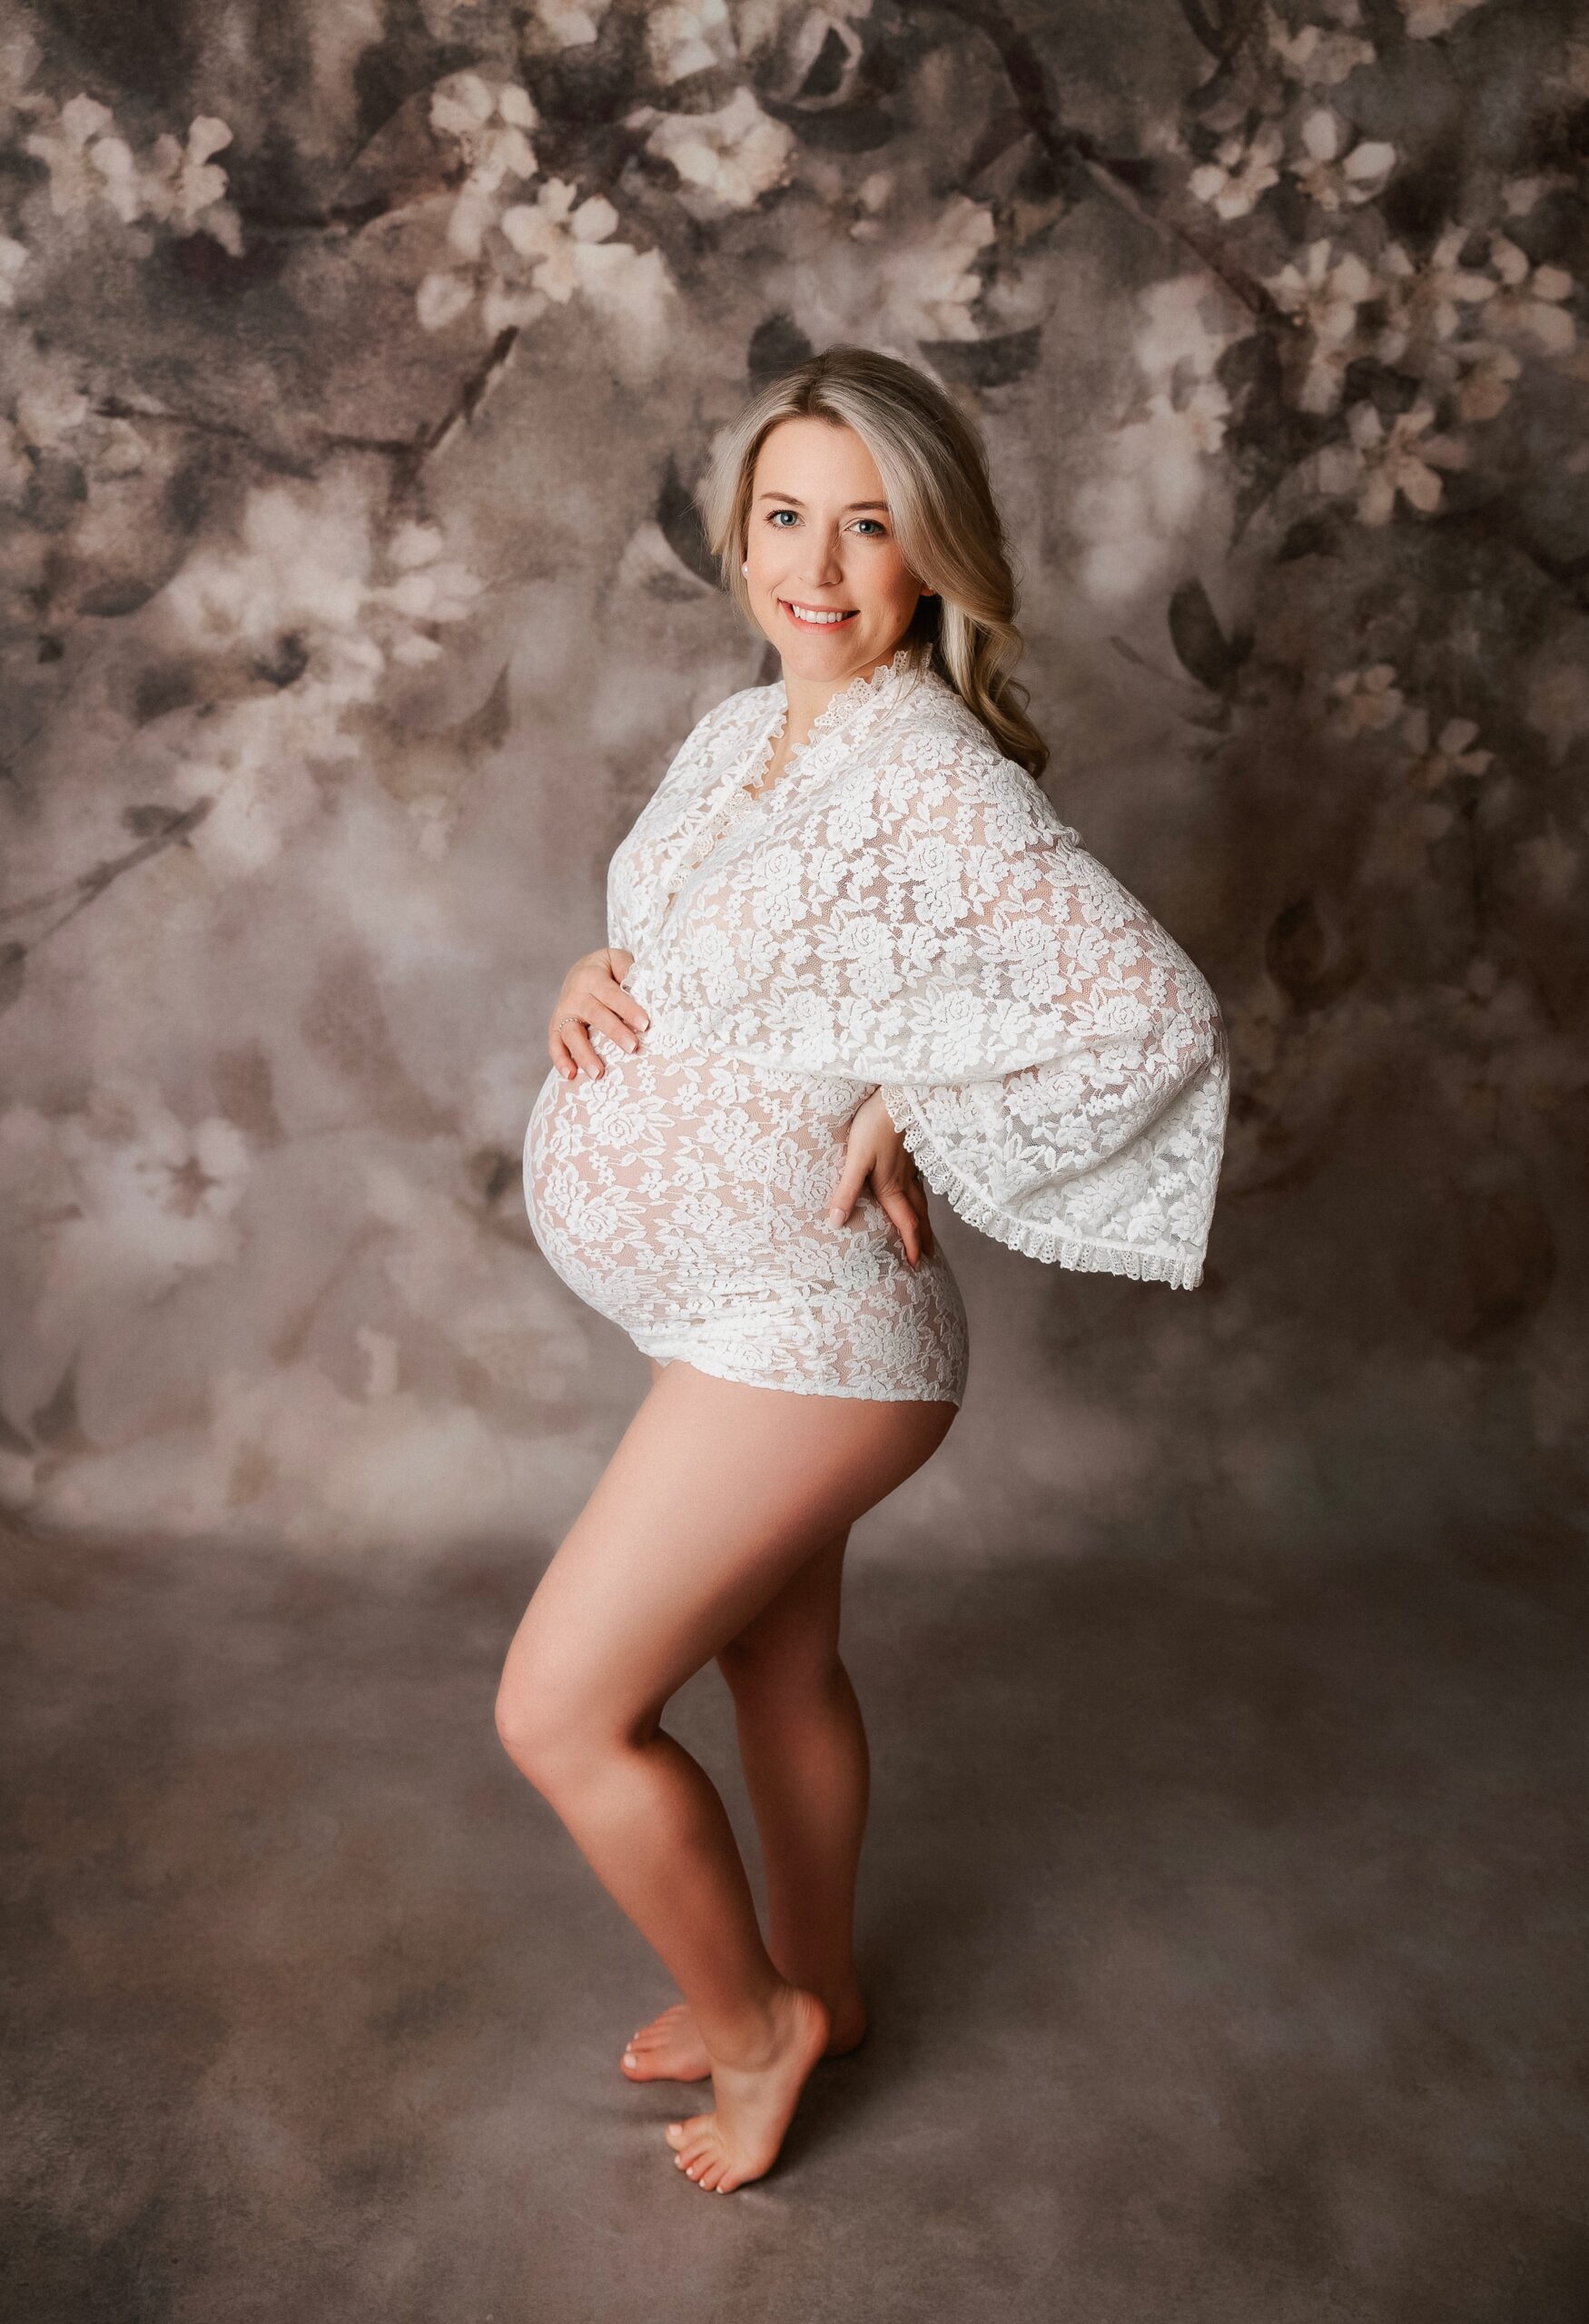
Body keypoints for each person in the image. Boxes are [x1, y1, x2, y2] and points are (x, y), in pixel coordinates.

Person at [500, 346, 1229, 2194]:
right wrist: (593, 975)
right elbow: (703, 933)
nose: (812, 564)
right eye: (780, 516)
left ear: (930, 556)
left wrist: (928, 1100)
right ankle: (817, 1973)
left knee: (561, 1710)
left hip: (812, 1326)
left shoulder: (932, 769)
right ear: (740, 536)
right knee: (782, 1661)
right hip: (723, 1314)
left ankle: (755, 2027)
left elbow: (1150, 1008)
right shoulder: (742, 730)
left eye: (866, 524)